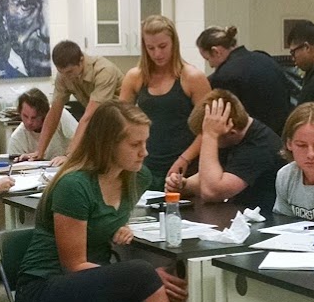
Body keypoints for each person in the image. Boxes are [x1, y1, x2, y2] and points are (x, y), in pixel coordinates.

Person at [14, 101, 189, 302]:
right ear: (108, 144)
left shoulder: (137, 177)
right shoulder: (74, 185)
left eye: (145, 142)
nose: (144, 152)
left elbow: (107, 225)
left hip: (90, 292)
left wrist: (127, 272)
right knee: (142, 274)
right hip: (42, 293)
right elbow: (74, 265)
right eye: (135, 144)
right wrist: (134, 283)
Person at [0, 87, 75, 283]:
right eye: (25, 116)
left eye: (34, 117)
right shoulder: (18, 137)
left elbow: (84, 138)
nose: (29, 122)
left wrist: (68, 157)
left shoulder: (61, 117)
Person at [121, 15, 209, 191]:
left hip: (185, 165)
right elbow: (119, 122)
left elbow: (208, 129)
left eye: (162, 46)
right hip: (145, 163)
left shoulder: (193, 78)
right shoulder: (135, 77)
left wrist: (185, 158)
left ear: (174, 43)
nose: (157, 54)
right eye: (150, 48)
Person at [166, 89, 285, 216]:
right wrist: (184, 185)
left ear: (231, 131)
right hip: (241, 216)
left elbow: (212, 192)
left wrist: (210, 136)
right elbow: (207, 178)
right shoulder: (232, 138)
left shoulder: (259, 146)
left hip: (266, 221)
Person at [26, 40, 122, 162]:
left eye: (69, 72)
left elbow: (89, 116)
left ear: (81, 60)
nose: (65, 76)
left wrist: (69, 156)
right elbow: (54, 113)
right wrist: (39, 152)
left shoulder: (104, 71)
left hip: (123, 122)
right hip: (101, 121)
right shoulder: (64, 75)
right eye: (61, 72)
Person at [195, 25, 292, 134]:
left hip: (252, 142)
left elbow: (229, 123)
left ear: (216, 51)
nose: (211, 65)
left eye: (208, 59)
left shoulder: (224, 77)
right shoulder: (264, 58)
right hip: (281, 136)